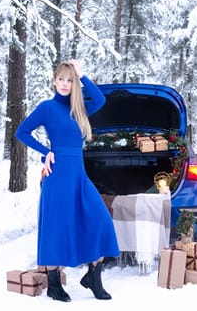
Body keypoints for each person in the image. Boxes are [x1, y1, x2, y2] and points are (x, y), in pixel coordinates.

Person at [15, 59, 120, 302]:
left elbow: (101, 99)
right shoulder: (47, 108)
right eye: (61, 79)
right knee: (56, 227)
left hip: (79, 175)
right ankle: (53, 284)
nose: (64, 84)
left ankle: (93, 277)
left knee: (100, 220)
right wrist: (45, 153)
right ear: (54, 81)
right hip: (58, 174)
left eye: (69, 80)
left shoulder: (79, 108)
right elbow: (21, 132)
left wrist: (81, 75)